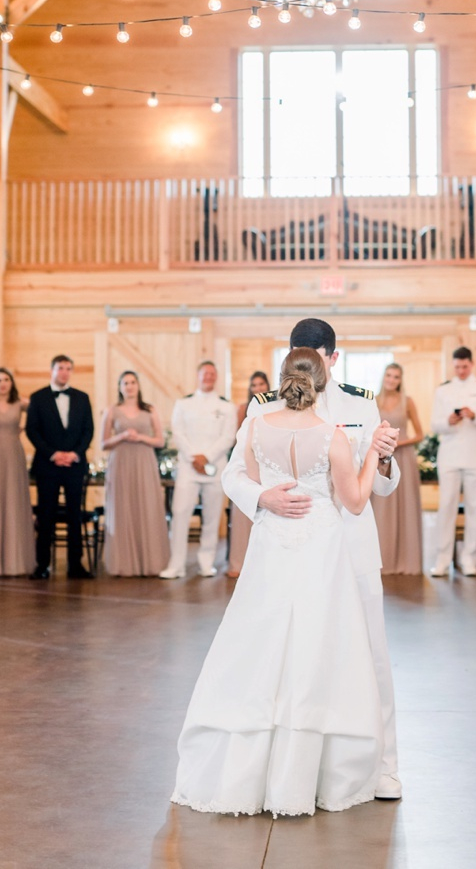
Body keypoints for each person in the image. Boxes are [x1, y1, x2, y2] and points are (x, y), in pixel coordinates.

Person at [173, 348, 390, 817]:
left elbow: (256, 479)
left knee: (260, 641)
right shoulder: (332, 436)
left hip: (272, 544)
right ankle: (311, 772)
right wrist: (371, 452)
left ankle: (249, 769)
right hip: (321, 548)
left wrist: (270, 497)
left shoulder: (254, 427)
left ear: (282, 379)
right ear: (323, 379)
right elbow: (353, 501)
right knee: (315, 647)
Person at [222, 318, 403, 802]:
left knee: (369, 657)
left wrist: (384, 458)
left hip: (351, 547)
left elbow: (380, 481)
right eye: (297, 356)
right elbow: (233, 474)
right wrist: (264, 497)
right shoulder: (265, 407)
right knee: (288, 656)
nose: (306, 367)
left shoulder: (361, 403)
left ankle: (382, 765)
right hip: (290, 550)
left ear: (333, 359)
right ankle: (293, 766)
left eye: (316, 357)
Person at [160, 361, 237, 579]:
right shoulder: (183, 404)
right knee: (180, 513)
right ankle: (176, 564)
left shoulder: (226, 406)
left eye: (212, 374)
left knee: (211, 518)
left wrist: (207, 457)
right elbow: (178, 433)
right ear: (198, 376)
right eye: (205, 374)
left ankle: (207, 563)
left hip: (214, 467)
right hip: (188, 466)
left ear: (217, 377)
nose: (208, 377)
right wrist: (194, 456)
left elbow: (228, 437)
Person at [430, 346, 476, 578]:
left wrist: (475, 416)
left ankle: (470, 559)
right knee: (446, 508)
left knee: (473, 508)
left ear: (472, 364)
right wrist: (449, 420)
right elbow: (435, 425)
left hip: (475, 456)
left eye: (465, 366)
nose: (461, 370)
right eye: (457, 367)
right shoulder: (443, 391)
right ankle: (441, 560)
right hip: (449, 456)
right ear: (453, 365)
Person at [26, 355, 95, 581]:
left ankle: (76, 564)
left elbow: (88, 430)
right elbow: (32, 431)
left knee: (75, 514)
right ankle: (42, 565)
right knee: (46, 515)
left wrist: (74, 454)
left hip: (74, 465)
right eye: (60, 368)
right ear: (52, 370)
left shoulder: (82, 398)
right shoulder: (38, 398)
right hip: (48, 465)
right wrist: (54, 454)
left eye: (68, 369)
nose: (64, 372)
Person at [101, 370, 169, 576]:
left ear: (138, 386)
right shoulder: (112, 411)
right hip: (121, 463)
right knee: (123, 508)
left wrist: (140, 437)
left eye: (132, 382)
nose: (129, 386)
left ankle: (149, 562)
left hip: (144, 462)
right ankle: (124, 563)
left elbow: (160, 440)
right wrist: (121, 436)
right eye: (125, 383)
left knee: (146, 506)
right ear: (120, 387)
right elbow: (103, 443)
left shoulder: (149, 410)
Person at [0, 368, 35, 578]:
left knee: (13, 500)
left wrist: (22, 429)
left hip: (14, 453)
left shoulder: (20, 402)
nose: (2, 383)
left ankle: (15, 560)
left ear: (11, 382)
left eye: (6, 379)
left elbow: (39, 410)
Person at [372, 362, 424, 575]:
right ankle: (383, 561)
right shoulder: (374, 401)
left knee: (406, 506)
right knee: (381, 507)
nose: (391, 380)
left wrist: (398, 443)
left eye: (396, 377)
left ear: (401, 380)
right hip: (382, 456)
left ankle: (406, 560)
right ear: (383, 377)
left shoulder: (408, 402)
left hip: (404, 457)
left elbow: (419, 434)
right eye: (388, 376)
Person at [226, 371, 270, 579]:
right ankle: (238, 562)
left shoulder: (274, 407)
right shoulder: (243, 409)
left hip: (267, 462)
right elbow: (237, 438)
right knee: (242, 513)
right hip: (245, 458)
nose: (258, 388)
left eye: (261, 384)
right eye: (254, 385)